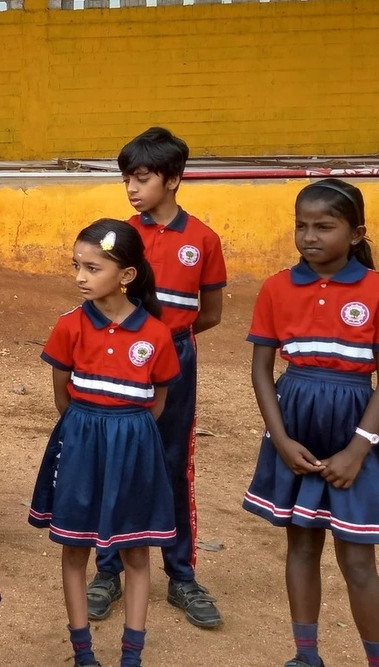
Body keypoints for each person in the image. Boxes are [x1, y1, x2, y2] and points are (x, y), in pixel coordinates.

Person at [243, 179, 379, 667]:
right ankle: (306, 656)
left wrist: (358, 449)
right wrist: (280, 439)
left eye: (324, 226)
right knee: (300, 546)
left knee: (358, 560)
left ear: (356, 233)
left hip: (354, 432)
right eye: (301, 226)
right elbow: (261, 369)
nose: (309, 236)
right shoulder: (276, 287)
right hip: (295, 427)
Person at [89, 127, 228, 628]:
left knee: (172, 464)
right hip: (118, 361)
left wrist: (170, 340)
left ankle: (182, 575)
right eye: (127, 177)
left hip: (176, 359)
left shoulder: (203, 239)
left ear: (173, 179)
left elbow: (208, 313)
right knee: (115, 462)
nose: (131, 187)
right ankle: (107, 572)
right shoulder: (118, 236)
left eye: (142, 177)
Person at [30, 219, 179, 667]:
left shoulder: (155, 334)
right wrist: (92, 432)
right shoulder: (68, 327)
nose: (80, 276)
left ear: (127, 275)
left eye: (92, 268)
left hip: (134, 451)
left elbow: (157, 403)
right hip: (79, 445)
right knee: (75, 548)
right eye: (76, 265)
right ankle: (84, 654)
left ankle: (131, 656)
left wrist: (123, 434)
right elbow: (63, 398)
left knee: (136, 551)